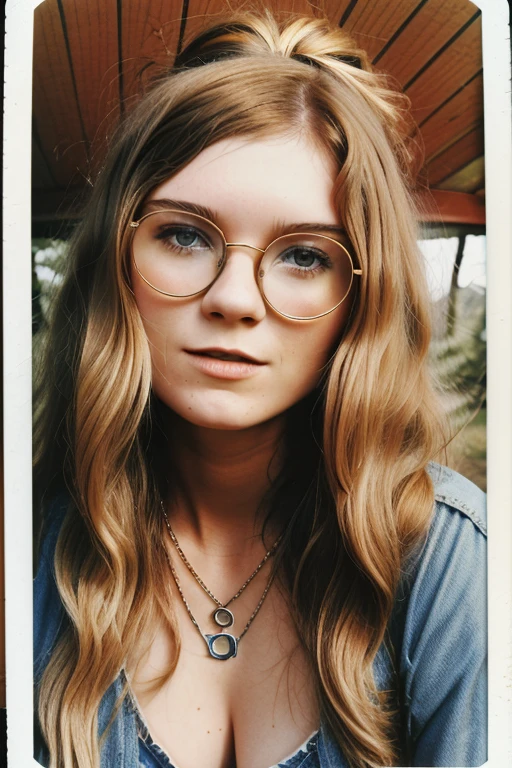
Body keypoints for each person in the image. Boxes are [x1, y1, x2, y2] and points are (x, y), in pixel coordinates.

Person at [33, 10, 487, 768]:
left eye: (304, 255)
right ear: (118, 258)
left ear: (358, 299)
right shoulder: (31, 548)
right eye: (185, 235)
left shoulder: (449, 561)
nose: (235, 299)